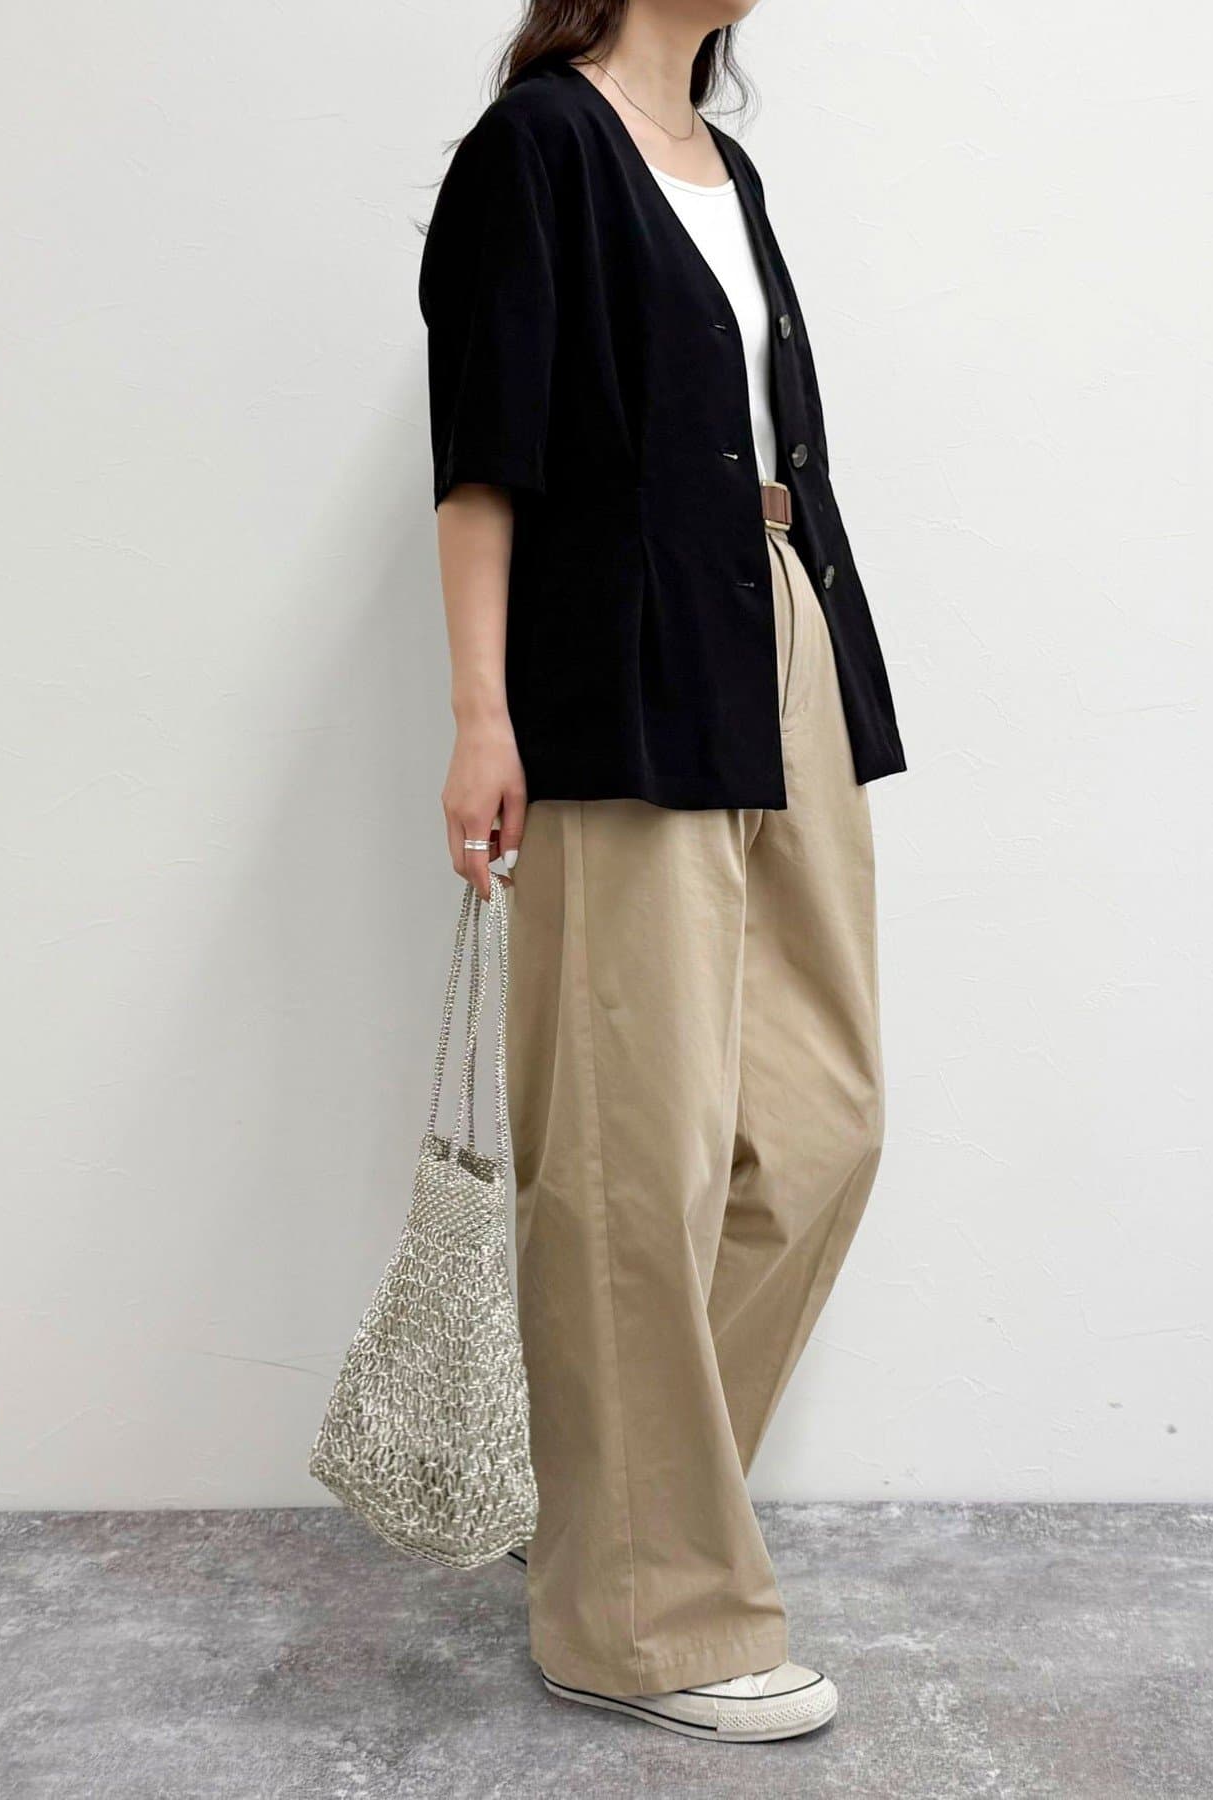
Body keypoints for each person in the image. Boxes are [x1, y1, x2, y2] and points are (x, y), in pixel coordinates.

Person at [419, 0, 905, 1743]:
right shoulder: (542, 145)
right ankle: (639, 1618)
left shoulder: (724, 162)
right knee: (639, 1154)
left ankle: (616, 1529)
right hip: (619, 668)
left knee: (821, 1125)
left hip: (780, 634)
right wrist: (483, 715)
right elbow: (485, 456)